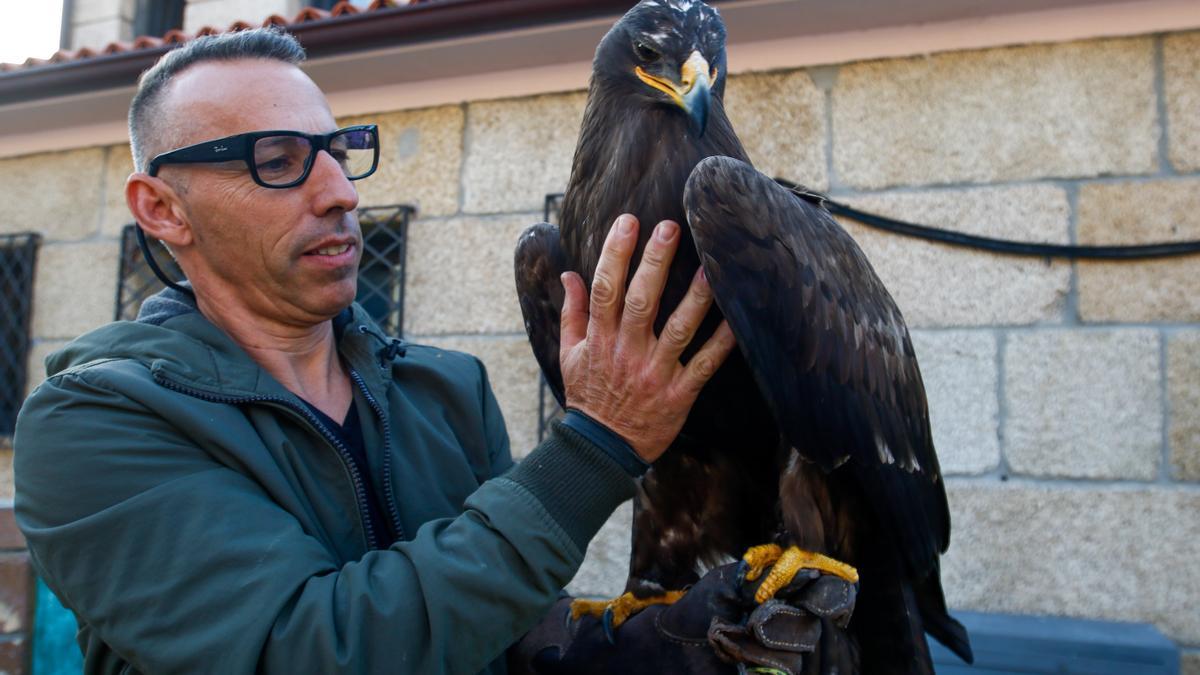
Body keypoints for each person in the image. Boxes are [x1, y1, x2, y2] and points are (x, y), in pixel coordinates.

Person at [14, 28, 853, 674]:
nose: (341, 192)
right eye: (278, 162)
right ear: (160, 209)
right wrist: (596, 447)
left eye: (341, 153)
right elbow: (310, 648)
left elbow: (499, 629)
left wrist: (657, 642)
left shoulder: (443, 389)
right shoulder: (92, 422)